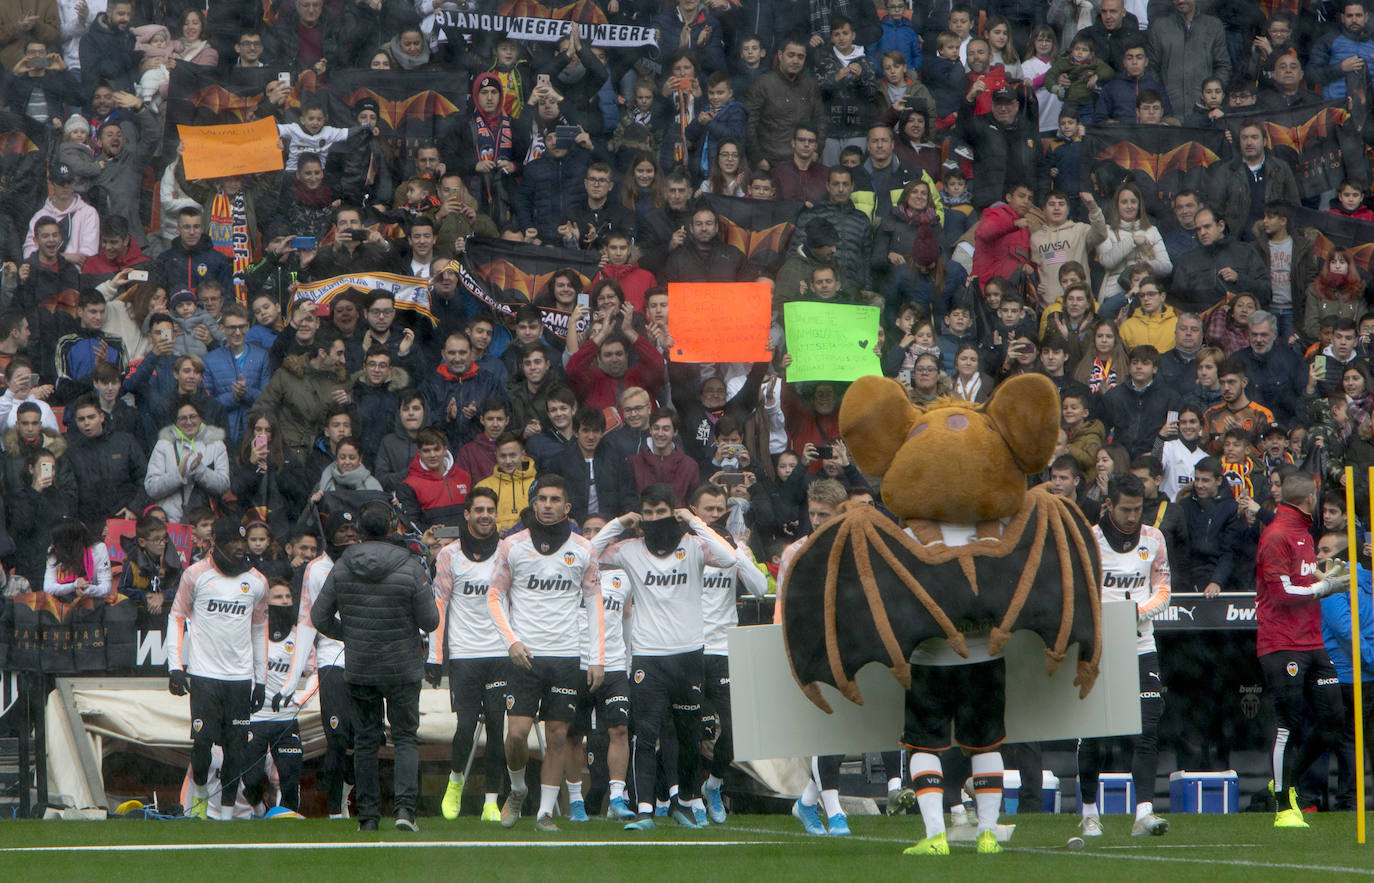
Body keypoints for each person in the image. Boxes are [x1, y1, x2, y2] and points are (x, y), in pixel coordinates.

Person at [591, 484, 735, 830]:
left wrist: (697, 521)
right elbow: (587, 554)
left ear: (674, 511)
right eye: (649, 512)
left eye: (662, 512)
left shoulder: (694, 544)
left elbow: (729, 558)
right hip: (647, 658)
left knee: (688, 737)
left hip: (688, 655)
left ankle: (684, 802)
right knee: (645, 734)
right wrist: (618, 523)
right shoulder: (628, 549)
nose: (656, 519)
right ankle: (644, 811)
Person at [311, 500, 439, 833]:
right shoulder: (411, 566)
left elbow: (318, 617)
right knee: (405, 737)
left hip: (362, 666)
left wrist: (350, 636)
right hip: (403, 666)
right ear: (393, 527)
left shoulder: (341, 566)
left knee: (367, 740)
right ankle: (405, 810)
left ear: (360, 531)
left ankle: (367, 816)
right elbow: (431, 620)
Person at [486, 475, 603, 832]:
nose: (548, 505)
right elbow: (493, 596)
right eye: (542, 499)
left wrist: (596, 657)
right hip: (525, 656)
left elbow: (594, 601)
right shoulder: (512, 545)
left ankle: (545, 813)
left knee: (556, 737)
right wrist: (511, 641)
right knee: (517, 734)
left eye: (555, 500)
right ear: (533, 504)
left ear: (567, 508)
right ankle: (518, 789)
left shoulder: (584, 549)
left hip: (566, 656)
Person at [1254, 471, 1350, 828]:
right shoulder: (1277, 535)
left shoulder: (1304, 534)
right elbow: (1280, 593)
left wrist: (1323, 575)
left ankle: (1286, 780)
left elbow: (1300, 581)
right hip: (1281, 643)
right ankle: (1282, 807)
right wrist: (1324, 587)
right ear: (1310, 498)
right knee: (1287, 725)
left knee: (1332, 721)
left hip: (1312, 641)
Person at [1079, 474, 1170, 839]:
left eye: (1138, 509)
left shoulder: (1154, 538)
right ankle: (1089, 813)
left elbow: (1164, 588)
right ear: (1109, 506)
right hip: (1099, 650)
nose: (1133, 517)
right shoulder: (1089, 539)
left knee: (1147, 731)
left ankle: (1144, 813)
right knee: (1095, 737)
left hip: (1141, 646)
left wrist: (1136, 613)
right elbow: (1078, 593)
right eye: (1126, 509)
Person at [167, 518, 269, 820]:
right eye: (233, 543)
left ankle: (225, 817)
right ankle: (199, 794)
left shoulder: (257, 582)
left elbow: (258, 630)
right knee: (201, 746)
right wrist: (176, 666)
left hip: (239, 679)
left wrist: (260, 681)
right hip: (203, 676)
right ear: (217, 544)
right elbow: (176, 617)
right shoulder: (195, 575)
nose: (240, 549)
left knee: (236, 750)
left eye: (243, 542)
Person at [691, 483, 768, 823]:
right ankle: (684, 797)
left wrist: (734, 550)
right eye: (708, 508)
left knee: (737, 728)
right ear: (694, 512)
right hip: (687, 647)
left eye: (719, 508)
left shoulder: (736, 548)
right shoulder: (684, 546)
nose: (715, 514)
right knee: (687, 728)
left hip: (723, 648)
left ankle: (715, 784)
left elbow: (761, 588)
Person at [429, 487, 507, 824]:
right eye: (479, 509)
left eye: (491, 509)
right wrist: (435, 656)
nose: (486, 515)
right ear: (467, 513)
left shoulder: (508, 552)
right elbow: (439, 606)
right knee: (464, 726)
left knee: (496, 725)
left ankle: (492, 800)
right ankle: (455, 784)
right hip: (464, 654)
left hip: (501, 651)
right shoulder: (449, 555)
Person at [280, 517, 358, 820]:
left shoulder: (370, 561)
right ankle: (337, 810)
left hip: (368, 659)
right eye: (342, 530)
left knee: (365, 737)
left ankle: (357, 800)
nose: (348, 535)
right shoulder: (316, 569)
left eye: (353, 530)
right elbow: (306, 621)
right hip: (331, 658)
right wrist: (291, 681)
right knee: (337, 735)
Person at [240, 575, 314, 815]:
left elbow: (316, 672)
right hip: (256, 718)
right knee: (250, 780)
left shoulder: (299, 637)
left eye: (287, 597)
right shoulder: (252, 633)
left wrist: (298, 699)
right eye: (278, 597)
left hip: (286, 718)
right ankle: (260, 810)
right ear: (266, 602)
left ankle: (286, 820)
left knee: (290, 777)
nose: (284, 602)